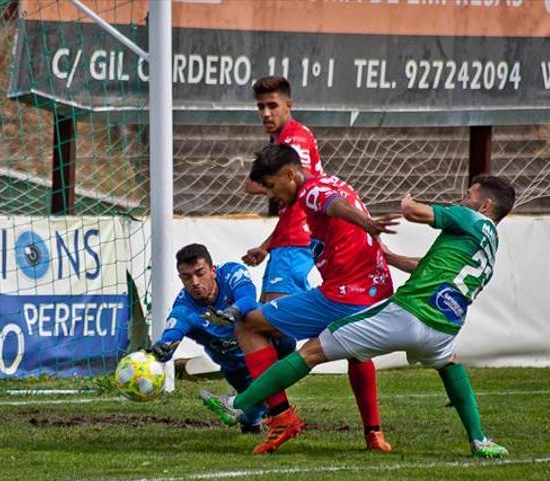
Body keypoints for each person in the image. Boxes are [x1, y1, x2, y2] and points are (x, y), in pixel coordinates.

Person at [222, 176, 515, 458]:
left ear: (486, 206)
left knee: (311, 351)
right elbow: (424, 267)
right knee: (449, 365)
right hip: (445, 328)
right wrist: (387, 258)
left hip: (408, 312)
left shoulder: (469, 218)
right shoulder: (489, 245)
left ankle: (239, 404)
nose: (461, 200)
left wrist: (408, 201)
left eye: (468, 196)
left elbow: (413, 212)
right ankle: (479, 439)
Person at [201, 143, 399, 455]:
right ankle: (374, 434)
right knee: (357, 351)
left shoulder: (312, 192)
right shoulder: (332, 182)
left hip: (341, 297)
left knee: (248, 325)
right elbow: (332, 205)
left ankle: (280, 417)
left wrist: (367, 224)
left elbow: (333, 205)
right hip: (373, 293)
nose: (269, 194)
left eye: (270, 186)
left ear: (290, 174)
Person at [146, 243, 297, 433]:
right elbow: (172, 335)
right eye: (187, 277)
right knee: (255, 413)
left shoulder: (231, 273)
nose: (194, 282)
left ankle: (251, 407)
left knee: (284, 335)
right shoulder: (184, 309)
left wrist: (232, 312)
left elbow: (248, 299)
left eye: (200, 273)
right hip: (238, 370)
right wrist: (162, 348)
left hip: (272, 346)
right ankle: (251, 416)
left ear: (213, 271)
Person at [241, 76, 323, 303]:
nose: (266, 113)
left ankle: (327, 337)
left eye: (272, 105)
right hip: (287, 241)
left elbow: (301, 185)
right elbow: (294, 204)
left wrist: (259, 183)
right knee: (264, 313)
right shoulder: (287, 138)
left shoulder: (294, 139)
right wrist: (267, 246)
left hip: (295, 243)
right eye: (261, 106)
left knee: (273, 319)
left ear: (289, 105)